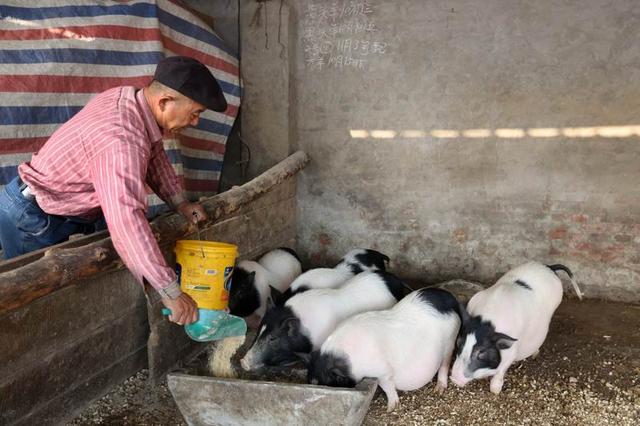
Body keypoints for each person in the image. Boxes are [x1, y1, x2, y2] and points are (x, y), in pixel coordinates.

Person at [0, 56, 228, 326]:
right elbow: (126, 220)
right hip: (32, 216)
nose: (196, 122)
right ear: (165, 102)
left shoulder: (130, 99)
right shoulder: (121, 139)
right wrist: (171, 291)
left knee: (72, 297)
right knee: (38, 312)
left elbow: (155, 155)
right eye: (195, 113)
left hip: (63, 209)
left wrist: (180, 203)